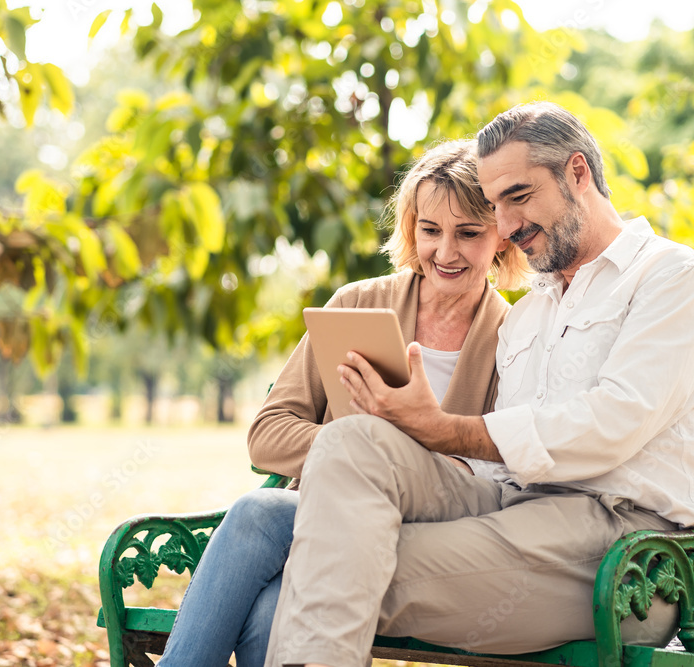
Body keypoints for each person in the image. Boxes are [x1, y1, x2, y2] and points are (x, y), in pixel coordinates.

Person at [262, 101, 694, 667]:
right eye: (495, 206)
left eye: (518, 196)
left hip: (623, 548)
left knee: (330, 571)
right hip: (513, 507)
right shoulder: (531, 313)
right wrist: (410, 431)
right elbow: (496, 466)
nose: (506, 227)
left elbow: (613, 424)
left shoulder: (670, 277)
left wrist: (444, 430)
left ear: (577, 173)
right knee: (350, 441)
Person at [156, 139, 526, 667]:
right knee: (266, 612)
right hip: (322, 520)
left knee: (258, 511)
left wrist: (384, 454)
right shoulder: (357, 305)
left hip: (433, 535)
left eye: (468, 233)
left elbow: (503, 466)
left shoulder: (514, 336)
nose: (446, 252)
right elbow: (268, 433)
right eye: (430, 231)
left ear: (502, 240)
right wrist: (357, 452)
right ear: (410, 230)